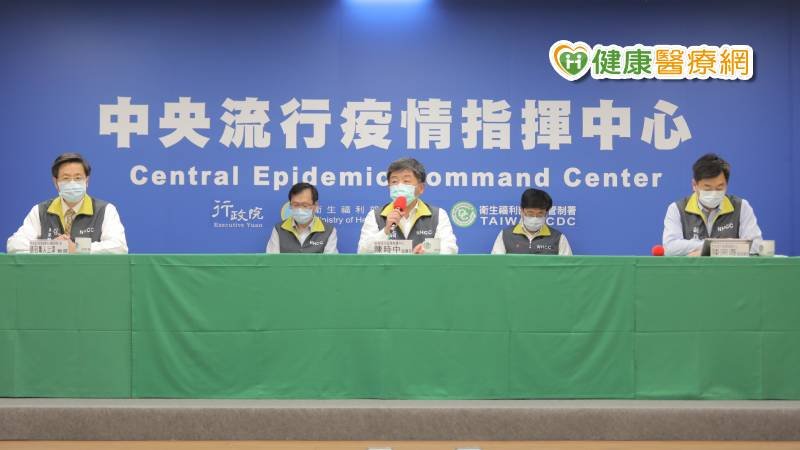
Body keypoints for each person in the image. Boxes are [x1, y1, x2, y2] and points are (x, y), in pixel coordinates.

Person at [7, 152, 128, 254]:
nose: (72, 183)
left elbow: (119, 247)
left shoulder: (105, 210)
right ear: (56, 182)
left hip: (90, 273)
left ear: (87, 180)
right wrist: (52, 246)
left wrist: (78, 248)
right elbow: (14, 245)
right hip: (50, 273)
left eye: (78, 178)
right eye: (66, 178)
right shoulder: (40, 211)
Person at [662, 153, 762, 256]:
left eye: (719, 187)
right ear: (694, 185)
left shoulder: (741, 206)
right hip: (693, 267)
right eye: (707, 187)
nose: (714, 193)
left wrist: (709, 251)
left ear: (726, 185)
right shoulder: (677, 209)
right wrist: (713, 246)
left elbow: (756, 246)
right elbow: (670, 247)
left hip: (730, 267)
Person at [357, 158, 458, 254]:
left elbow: (450, 248)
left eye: (406, 181)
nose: (399, 186)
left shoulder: (438, 215)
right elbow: (362, 251)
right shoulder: (375, 216)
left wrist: (427, 250)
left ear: (421, 188)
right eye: (394, 182)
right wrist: (385, 231)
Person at [491, 188, 572, 255]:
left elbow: (567, 267)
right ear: (522, 210)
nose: (535, 217)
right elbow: (496, 265)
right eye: (530, 213)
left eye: (540, 213)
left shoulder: (558, 238)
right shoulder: (505, 235)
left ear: (546, 213)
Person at [266, 182, 338, 253]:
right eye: (295, 205)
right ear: (290, 205)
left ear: (315, 206)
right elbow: (271, 259)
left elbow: (330, 260)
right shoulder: (279, 229)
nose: (300, 209)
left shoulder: (328, 231)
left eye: (305, 205)